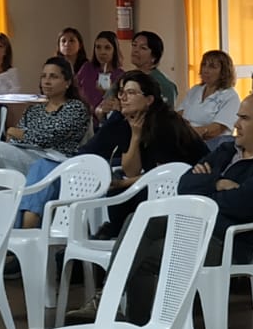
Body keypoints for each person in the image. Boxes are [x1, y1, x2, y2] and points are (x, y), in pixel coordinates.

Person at [121, 93, 253, 327]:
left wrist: (207, 187)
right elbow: (184, 184)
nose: (235, 124)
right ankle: (114, 304)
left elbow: (239, 206)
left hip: (225, 241)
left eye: (244, 118)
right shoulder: (226, 150)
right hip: (193, 226)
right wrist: (217, 183)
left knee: (149, 255)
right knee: (138, 220)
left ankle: (136, 326)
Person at [44, 70, 209, 238]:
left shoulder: (165, 124)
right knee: (119, 195)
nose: (123, 98)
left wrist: (124, 183)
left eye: (130, 93)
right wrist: (135, 136)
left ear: (149, 100)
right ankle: (115, 237)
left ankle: (122, 238)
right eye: (122, 92)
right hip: (157, 181)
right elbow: (131, 171)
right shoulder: (127, 121)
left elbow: (164, 172)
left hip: (189, 180)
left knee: (127, 195)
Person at [0, 56, 91, 177]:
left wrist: (17, 132)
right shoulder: (34, 110)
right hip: (25, 154)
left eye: (53, 77)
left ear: (67, 82)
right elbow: (13, 138)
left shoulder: (75, 107)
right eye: (43, 76)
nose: (46, 81)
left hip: (54, 161)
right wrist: (18, 134)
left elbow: (48, 137)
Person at [176, 49, 243, 145]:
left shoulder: (230, 97)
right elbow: (179, 116)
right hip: (187, 140)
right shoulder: (195, 90)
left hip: (212, 146)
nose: (205, 70)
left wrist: (188, 132)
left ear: (224, 72)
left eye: (212, 67)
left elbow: (216, 130)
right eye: (204, 65)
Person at [76, 30, 124, 117]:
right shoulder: (87, 67)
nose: (102, 52)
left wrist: (107, 92)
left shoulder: (120, 75)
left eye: (107, 48)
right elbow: (75, 87)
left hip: (105, 121)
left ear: (114, 50)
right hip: (83, 118)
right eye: (98, 47)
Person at [129, 30, 179, 105]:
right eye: (134, 45)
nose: (135, 50)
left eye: (143, 48)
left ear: (154, 57)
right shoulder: (128, 76)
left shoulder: (162, 85)